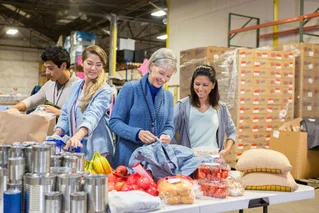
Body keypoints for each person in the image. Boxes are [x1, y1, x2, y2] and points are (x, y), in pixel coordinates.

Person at [110, 48, 177, 168]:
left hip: (154, 162)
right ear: (151, 66)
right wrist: (137, 133)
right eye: (161, 73)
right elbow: (114, 122)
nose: (163, 79)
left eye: (168, 76)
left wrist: (167, 135)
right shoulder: (130, 88)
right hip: (128, 159)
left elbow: (169, 126)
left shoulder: (168, 96)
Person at [53, 45, 113, 160]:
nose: (93, 68)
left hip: (97, 151)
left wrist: (77, 136)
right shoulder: (76, 86)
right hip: (77, 146)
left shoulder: (104, 90)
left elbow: (92, 116)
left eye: (98, 65)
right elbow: (66, 113)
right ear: (82, 62)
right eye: (89, 63)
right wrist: (57, 134)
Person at [174, 65, 236, 159]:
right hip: (188, 161)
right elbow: (170, 130)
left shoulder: (221, 108)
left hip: (213, 161)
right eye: (197, 84)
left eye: (205, 85)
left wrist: (226, 150)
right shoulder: (182, 105)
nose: (200, 88)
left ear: (213, 85)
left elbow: (232, 132)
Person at [11, 46, 79, 116]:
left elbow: (83, 116)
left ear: (63, 66)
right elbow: (32, 101)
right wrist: (13, 109)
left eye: (50, 68)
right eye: (46, 68)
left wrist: (59, 112)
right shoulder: (49, 85)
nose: (47, 72)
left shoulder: (80, 87)